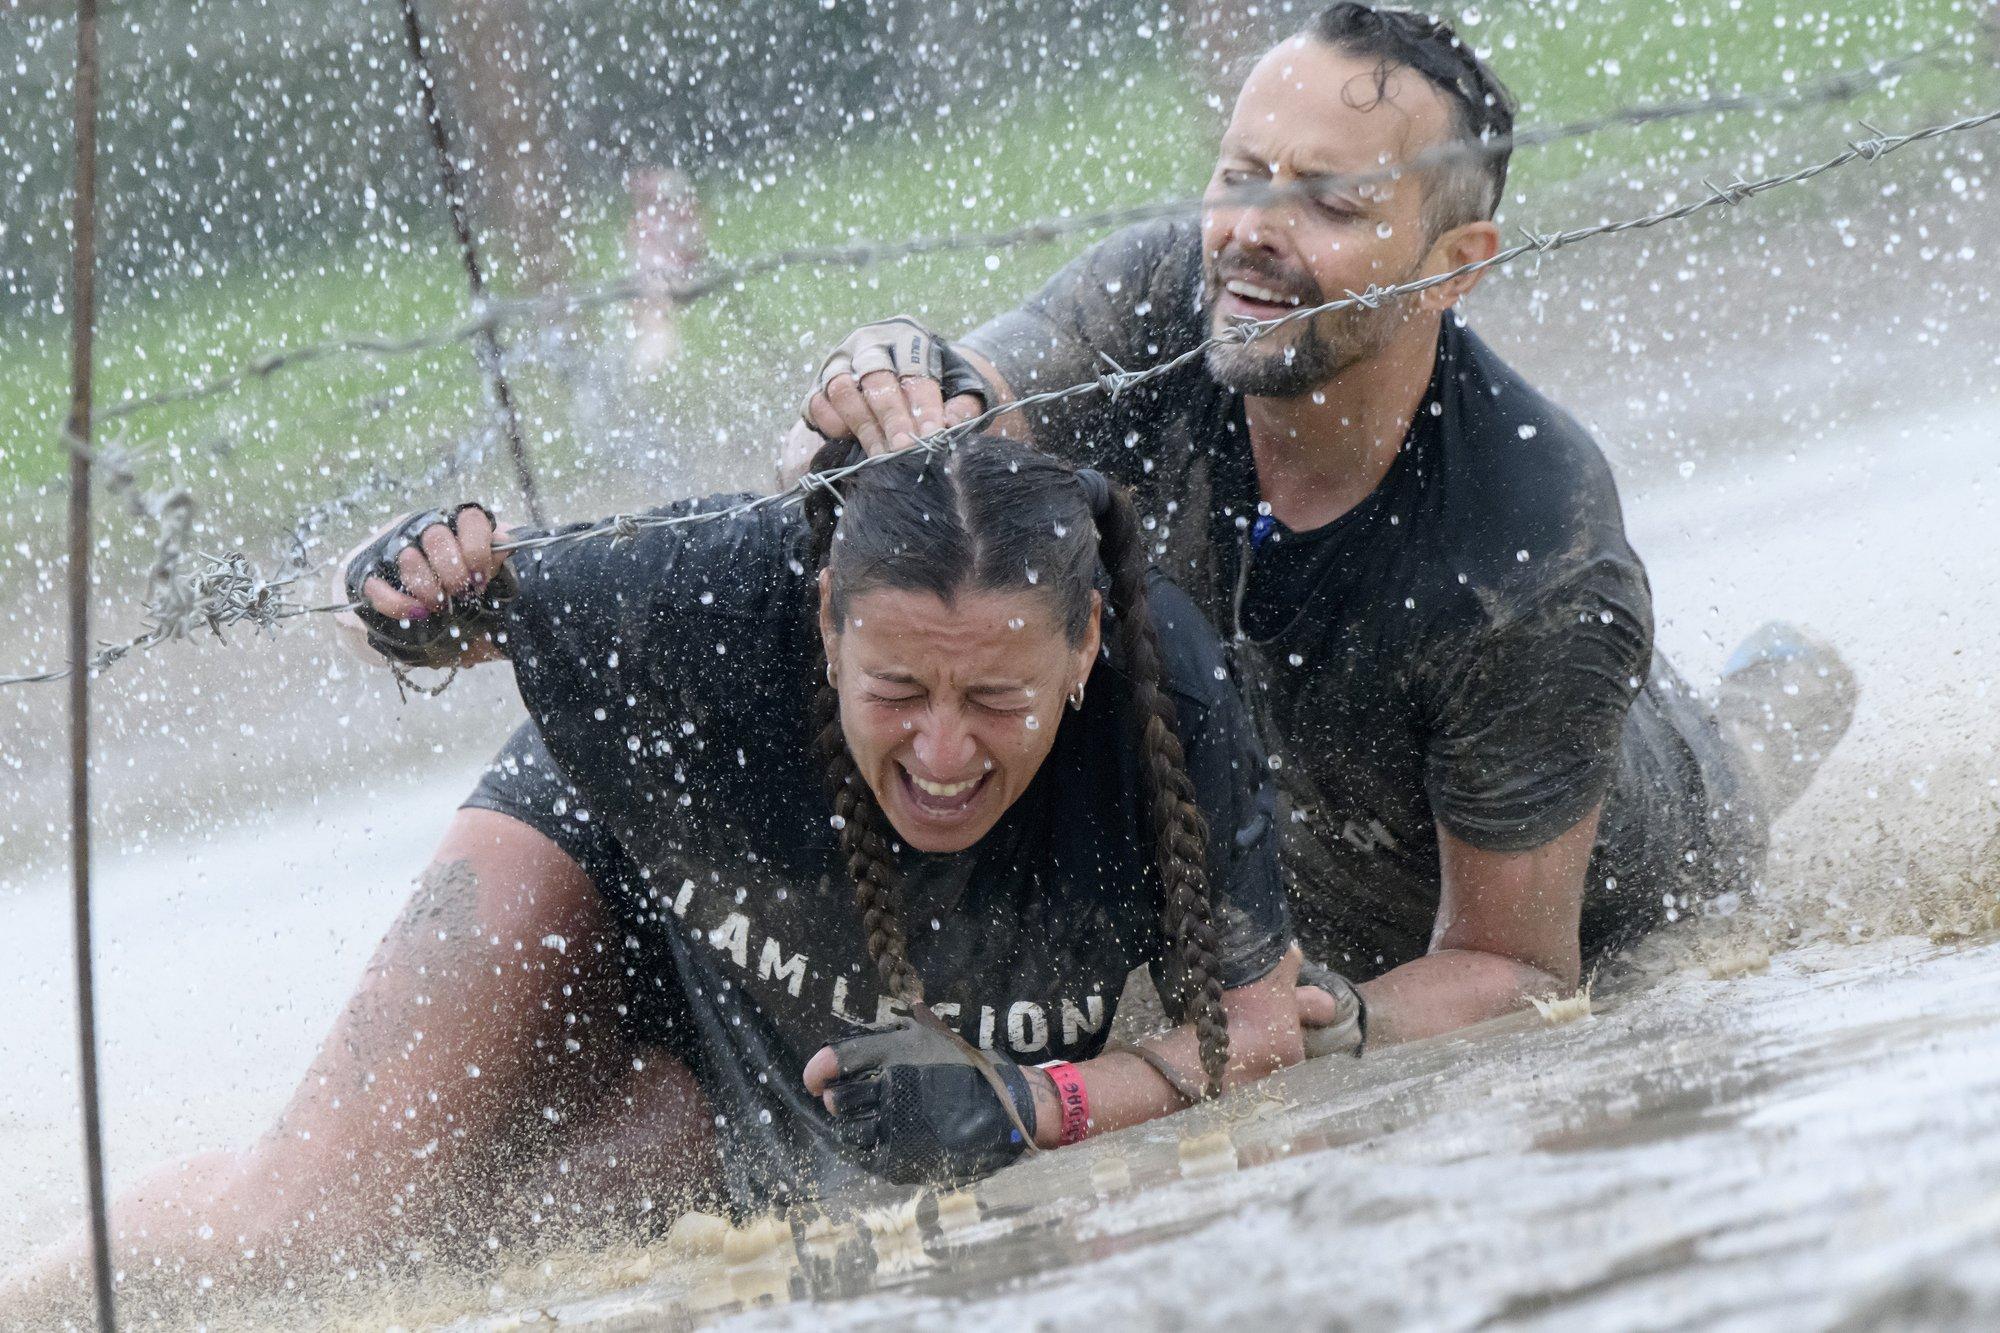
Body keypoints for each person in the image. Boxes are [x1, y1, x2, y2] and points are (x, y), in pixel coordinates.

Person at [2, 435, 1305, 1323]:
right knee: (325, 1220)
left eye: (998, 699)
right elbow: (419, 614)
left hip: (751, 1032)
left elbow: (1256, 1032)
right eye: (897, 690)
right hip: (624, 839)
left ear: (1081, 657)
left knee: (577, 1219)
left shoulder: (1169, 701)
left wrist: (1038, 1104)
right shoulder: (693, 592)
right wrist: (404, 583)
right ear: (824, 625)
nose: (945, 751)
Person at [791, 3, 1857, 1053]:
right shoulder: (1167, 293)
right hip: (1307, 815)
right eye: (1239, 177)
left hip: (1627, 860)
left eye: (1330, 207)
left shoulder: (1531, 555)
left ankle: (1774, 697)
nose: (1253, 231)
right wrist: (896, 371)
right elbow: (987, 387)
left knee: (1737, 775)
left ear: (1455, 262)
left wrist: (1340, 1021)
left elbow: (1519, 968)